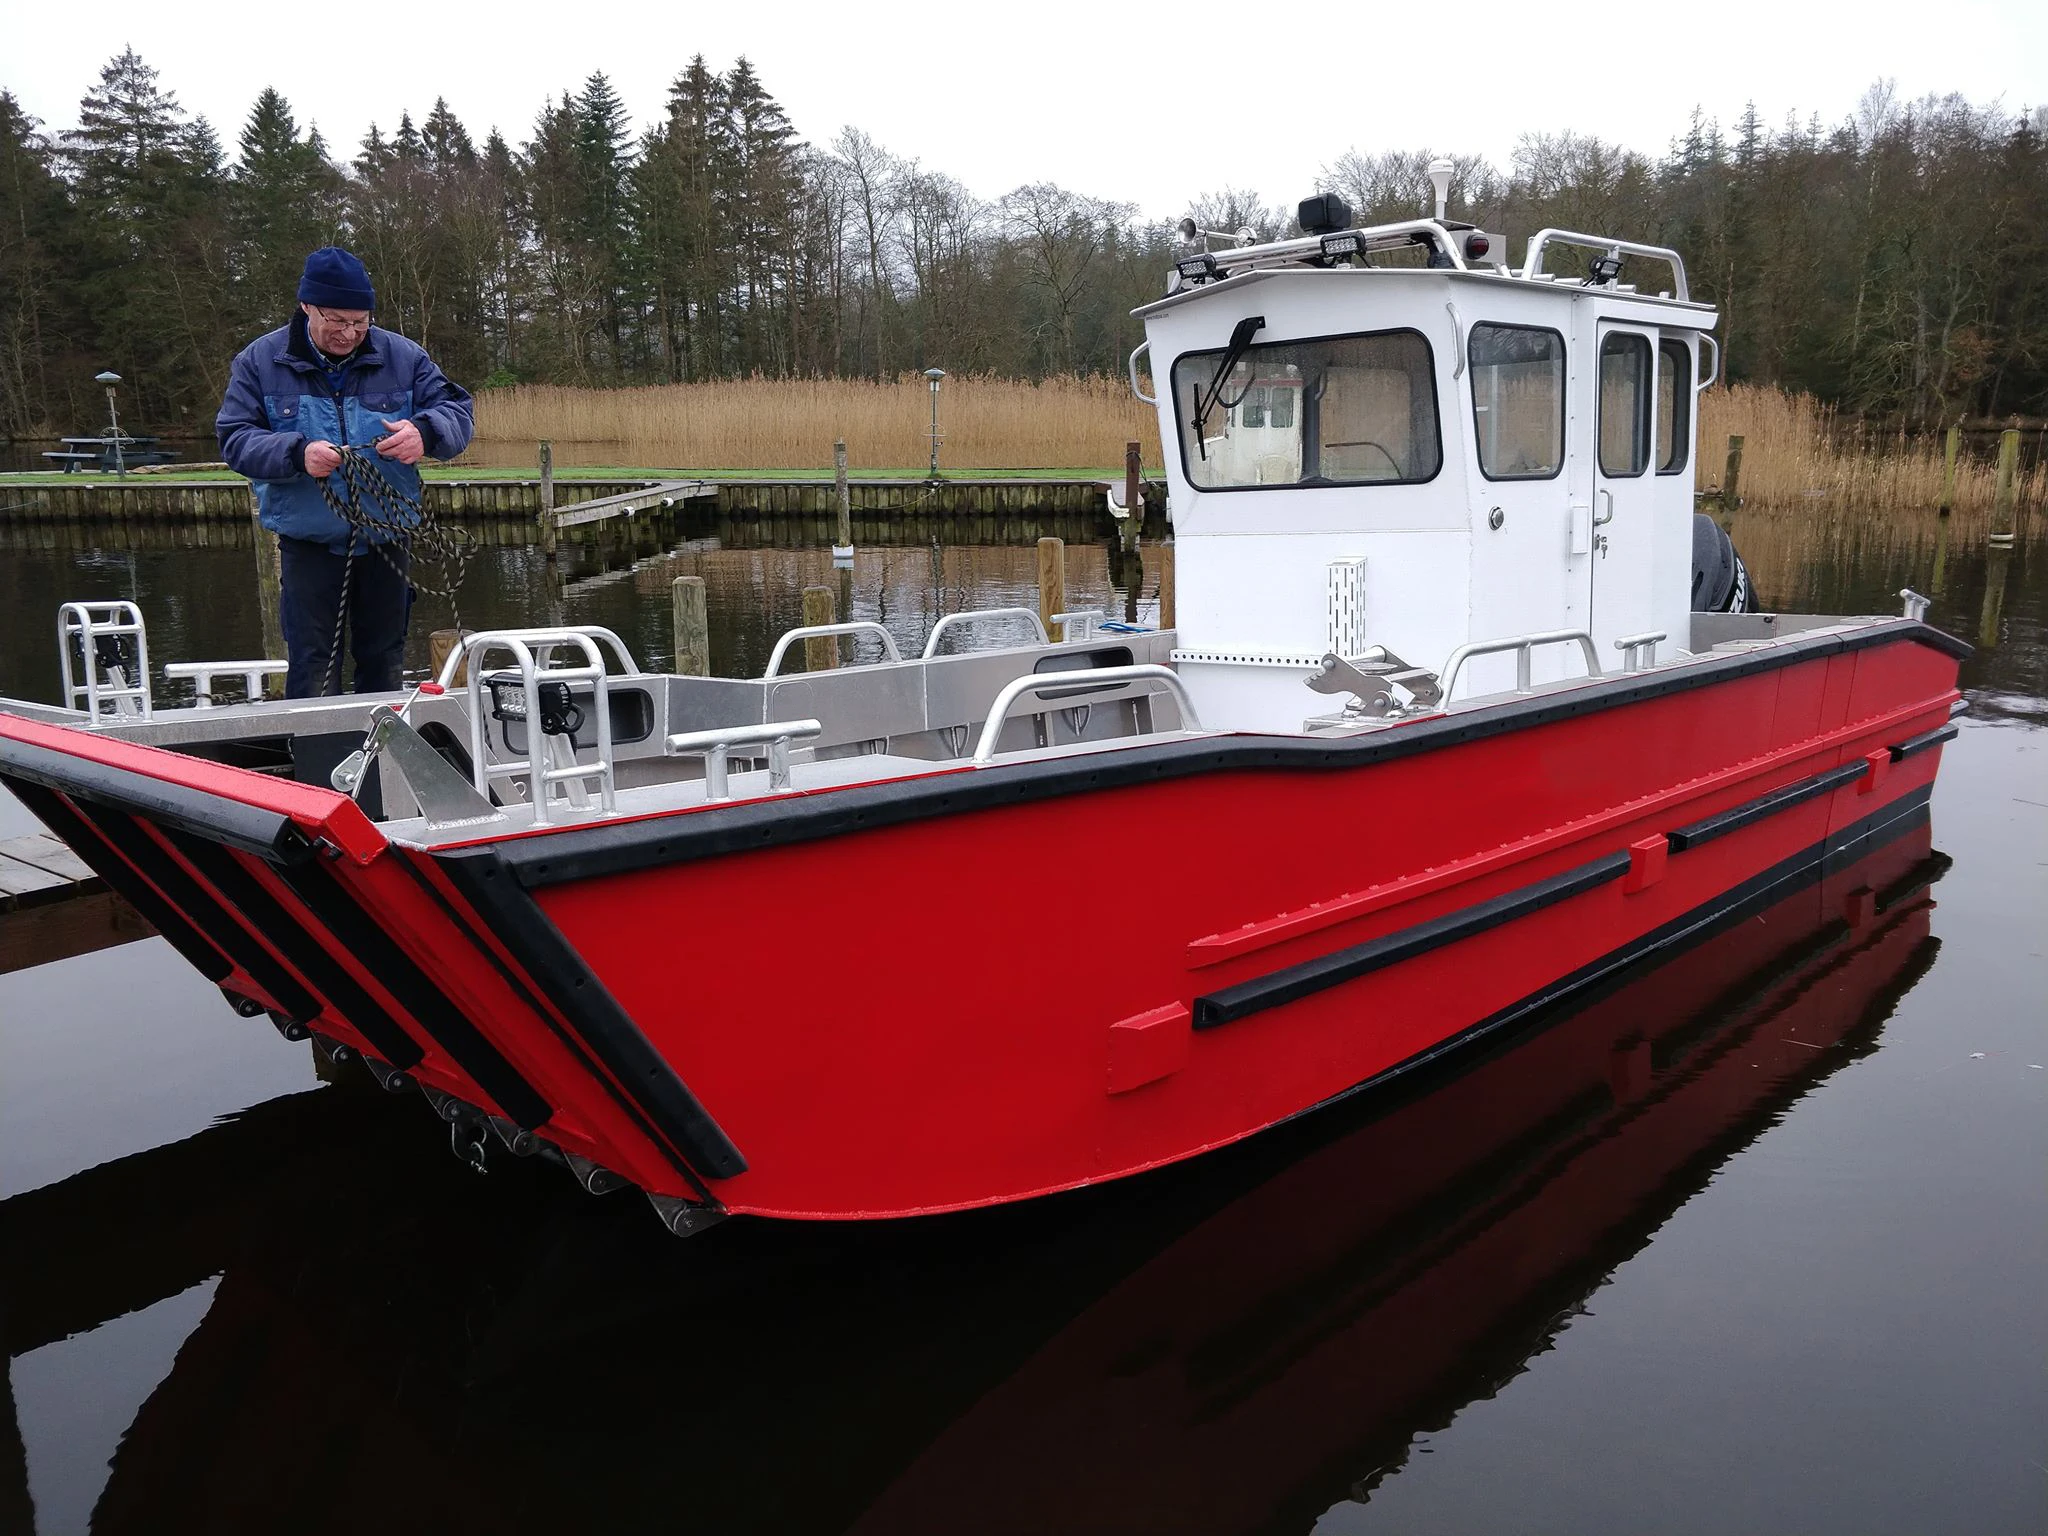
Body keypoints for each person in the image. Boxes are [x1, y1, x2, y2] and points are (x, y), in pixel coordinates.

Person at [216, 246, 474, 697]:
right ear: (307, 307)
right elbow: (236, 440)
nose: (349, 333)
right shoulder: (259, 362)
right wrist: (298, 454)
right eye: (336, 320)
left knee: (385, 657)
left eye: (360, 321)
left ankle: (382, 743)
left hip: (388, 537)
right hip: (309, 543)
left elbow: (458, 411)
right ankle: (318, 743)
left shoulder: (404, 357)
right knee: (312, 664)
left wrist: (425, 433)